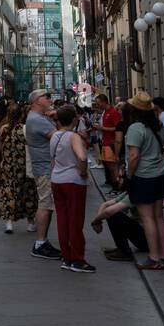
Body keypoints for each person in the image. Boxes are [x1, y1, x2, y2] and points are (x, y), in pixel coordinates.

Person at [123, 92, 164, 270]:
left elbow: (134, 156)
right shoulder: (158, 125)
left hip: (143, 176)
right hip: (160, 174)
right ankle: (163, 255)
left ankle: (153, 257)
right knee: (159, 216)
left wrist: (129, 174)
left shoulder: (135, 128)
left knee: (147, 218)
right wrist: (161, 160)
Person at [49, 104, 92, 273]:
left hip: (57, 179)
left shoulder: (54, 136)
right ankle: (78, 259)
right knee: (75, 220)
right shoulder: (73, 136)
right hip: (73, 181)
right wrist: (83, 172)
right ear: (74, 119)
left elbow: (52, 159)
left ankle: (66, 257)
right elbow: (81, 157)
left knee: (62, 220)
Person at [24, 89, 60, 260]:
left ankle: (42, 241)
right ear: (37, 100)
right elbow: (59, 138)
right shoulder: (38, 120)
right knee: (45, 204)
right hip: (45, 167)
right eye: (47, 97)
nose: (50, 99)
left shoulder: (37, 118)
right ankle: (40, 243)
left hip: (44, 166)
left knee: (47, 203)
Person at [0, 103, 38, 234]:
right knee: (28, 194)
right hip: (24, 167)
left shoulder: (3, 129)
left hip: (8, 167)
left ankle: (9, 223)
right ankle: (30, 223)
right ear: (21, 114)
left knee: (8, 193)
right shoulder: (25, 129)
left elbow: (0, 147)